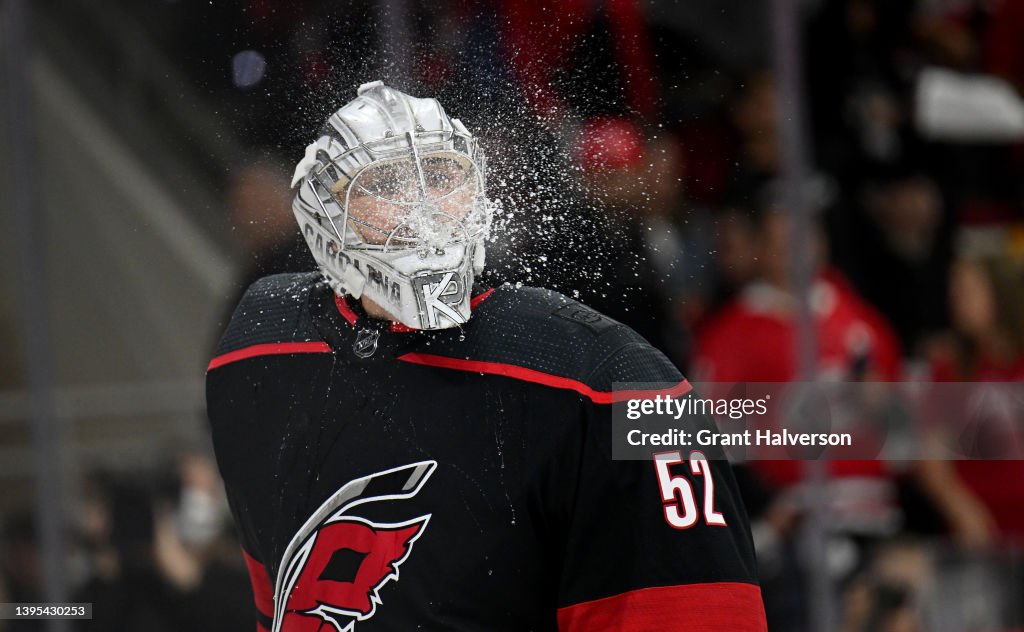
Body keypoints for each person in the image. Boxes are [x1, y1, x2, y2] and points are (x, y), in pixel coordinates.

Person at [206, 81, 767, 632]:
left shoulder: (616, 372)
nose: (421, 206)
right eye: (385, 183)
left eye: (442, 175)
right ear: (325, 216)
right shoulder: (256, 349)